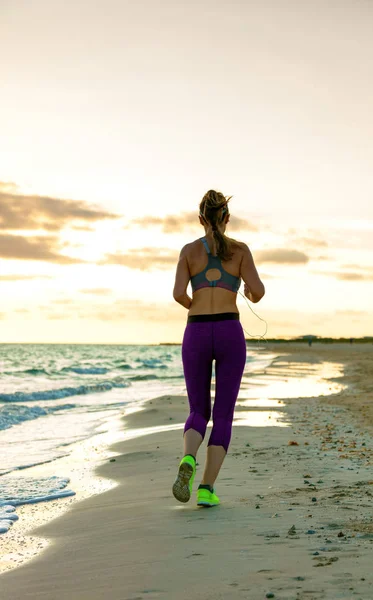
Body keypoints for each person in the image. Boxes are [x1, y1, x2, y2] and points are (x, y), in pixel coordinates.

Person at [172, 189, 265, 507]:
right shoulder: (240, 250)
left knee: (198, 410)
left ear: (201, 220)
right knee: (223, 414)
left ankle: (188, 459)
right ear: (226, 218)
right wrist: (244, 292)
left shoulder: (188, 251)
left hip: (196, 331)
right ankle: (206, 489)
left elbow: (177, 294)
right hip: (228, 330)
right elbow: (258, 292)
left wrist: (194, 303)